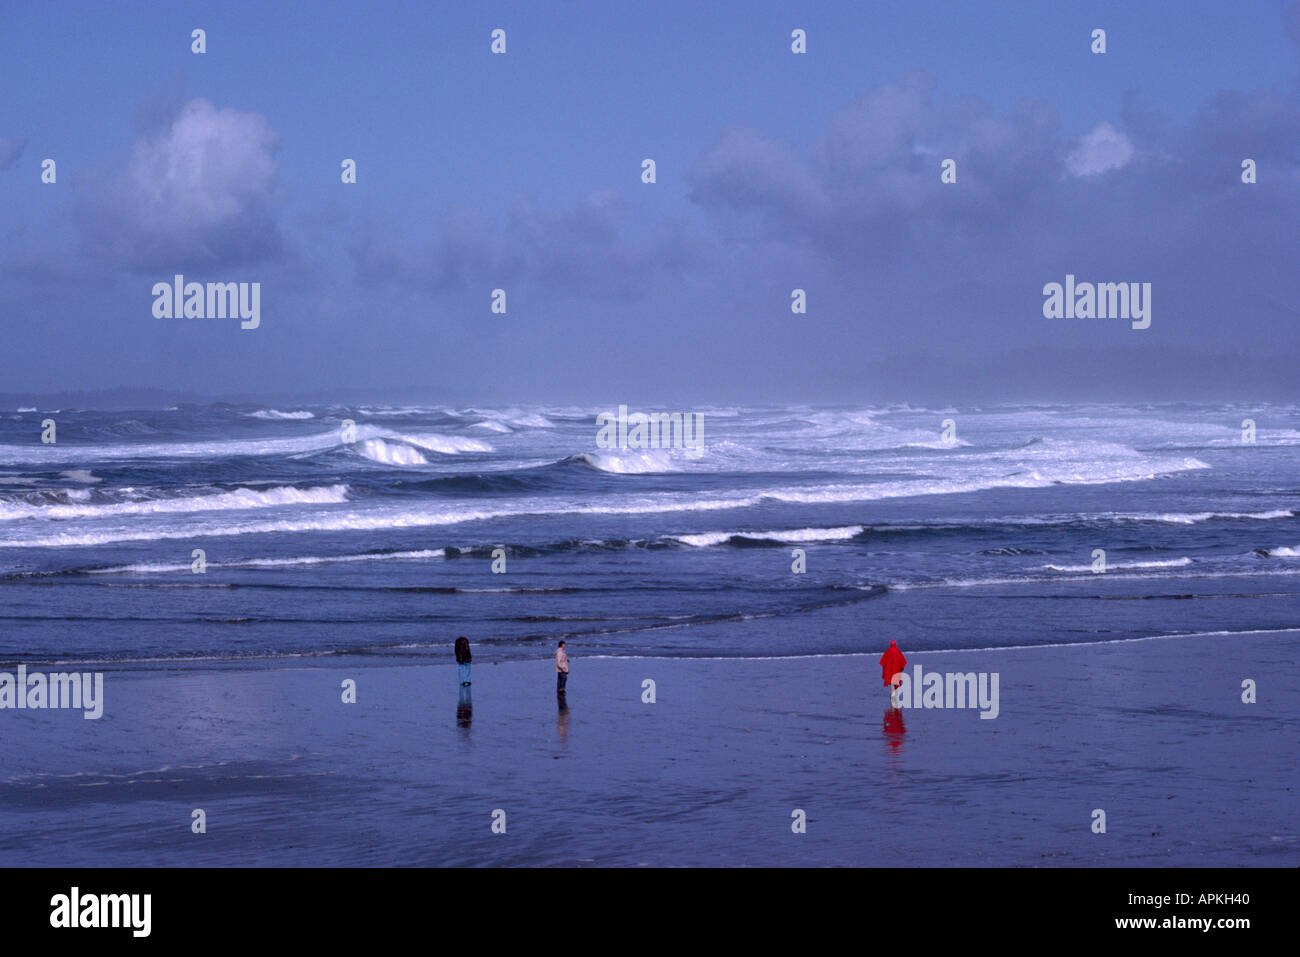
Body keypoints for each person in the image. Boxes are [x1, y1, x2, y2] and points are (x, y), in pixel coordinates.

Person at [879, 639, 906, 707]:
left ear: (890, 644)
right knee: (895, 682)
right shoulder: (898, 651)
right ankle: (894, 696)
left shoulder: (888, 651)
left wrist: (885, 668)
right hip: (896, 670)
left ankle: (893, 696)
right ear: (895, 644)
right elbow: (902, 661)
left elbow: (883, 662)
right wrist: (902, 668)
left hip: (890, 671)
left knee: (891, 683)